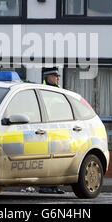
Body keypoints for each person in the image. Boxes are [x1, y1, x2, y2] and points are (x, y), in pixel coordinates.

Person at [39, 67, 65, 195]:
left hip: (58, 130)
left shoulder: (57, 90)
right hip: (46, 130)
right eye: (55, 76)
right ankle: (45, 186)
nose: (58, 78)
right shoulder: (42, 90)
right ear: (48, 77)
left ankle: (54, 185)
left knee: (57, 160)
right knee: (47, 158)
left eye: (58, 76)